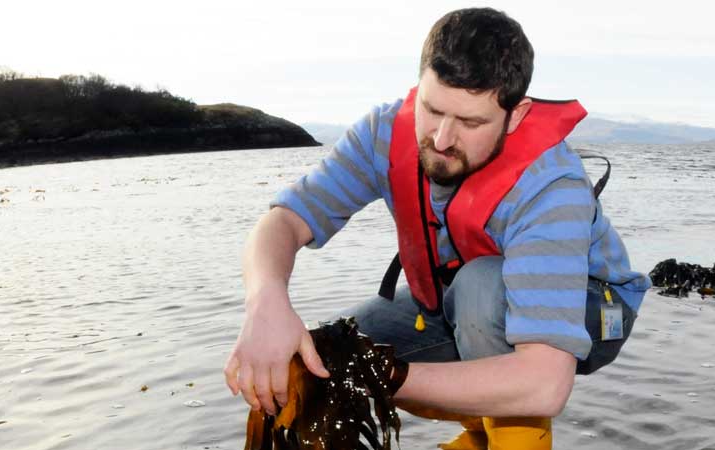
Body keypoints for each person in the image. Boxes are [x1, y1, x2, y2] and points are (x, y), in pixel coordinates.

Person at [223, 7, 649, 449]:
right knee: (325, 356)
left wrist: (384, 374)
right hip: (454, 302)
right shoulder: (385, 132)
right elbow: (284, 221)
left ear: (516, 115)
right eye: (432, 109)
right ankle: (478, 438)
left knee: (480, 287)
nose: (442, 139)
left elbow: (544, 384)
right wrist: (264, 304)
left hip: (594, 312)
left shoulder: (550, 186)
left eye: (471, 122)